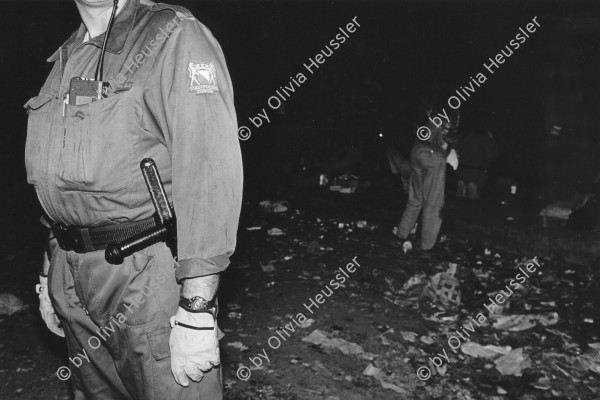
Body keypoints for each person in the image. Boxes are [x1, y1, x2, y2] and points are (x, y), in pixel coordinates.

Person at [26, 0, 243, 399]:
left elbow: (209, 169)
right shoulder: (68, 55)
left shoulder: (173, 35)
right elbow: (55, 179)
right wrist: (47, 275)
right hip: (70, 273)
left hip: (143, 275)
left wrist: (197, 309)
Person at [395, 108, 458, 251]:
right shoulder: (450, 114)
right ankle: (427, 246)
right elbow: (445, 141)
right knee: (434, 203)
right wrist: (449, 152)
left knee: (415, 199)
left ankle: (401, 234)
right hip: (432, 156)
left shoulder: (429, 112)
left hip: (417, 151)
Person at [456, 127, 498, 199]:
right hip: (476, 173)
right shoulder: (485, 138)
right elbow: (493, 156)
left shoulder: (464, 134)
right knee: (472, 199)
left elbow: (456, 148)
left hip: (462, 170)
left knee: (460, 198)